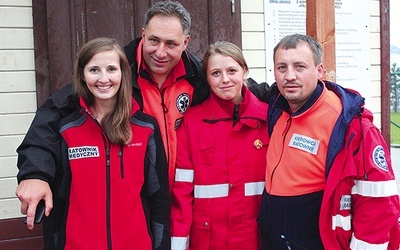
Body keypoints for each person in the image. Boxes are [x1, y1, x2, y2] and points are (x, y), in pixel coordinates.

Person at [15, 0, 211, 230]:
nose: (160, 52)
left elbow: (238, 89)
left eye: (171, 44)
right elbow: (50, 116)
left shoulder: (199, 77)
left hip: (183, 203)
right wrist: (35, 174)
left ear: (185, 42)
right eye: (154, 40)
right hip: (131, 206)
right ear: (143, 33)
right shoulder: (114, 70)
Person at [24, 37, 170, 249]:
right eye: (94, 70)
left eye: (111, 69)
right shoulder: (67, 129)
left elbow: (159, 199)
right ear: (82, 76)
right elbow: (59, 202)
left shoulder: (146, 128)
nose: (103, 78)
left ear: (123, 74)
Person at [258, 33, 400, 249]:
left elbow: (379, 203)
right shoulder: (277, 107)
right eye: (282, 68)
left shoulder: (351, 125)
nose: (290, 76)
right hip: (274, 237)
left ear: (319, 71)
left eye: (300, 67)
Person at [170, 41, 269, 250]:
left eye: (231, 70)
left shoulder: (268, 119)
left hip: (256, 238)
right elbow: (182, 192)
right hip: (209, 240)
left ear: (244, 71)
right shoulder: (192, 122)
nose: (225, 80)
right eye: (215, 73)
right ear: (207, 78)